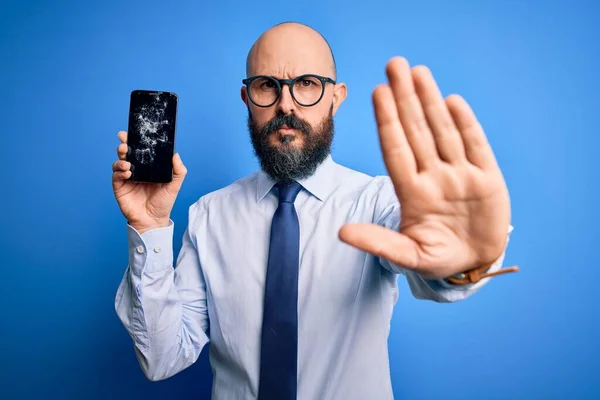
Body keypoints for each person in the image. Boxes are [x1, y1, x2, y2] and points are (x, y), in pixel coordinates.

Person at [112, 21, 518, 400]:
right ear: (246, 98)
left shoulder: (378, 202)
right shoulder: (209, 215)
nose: (286, 105)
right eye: (267, 85)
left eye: (306, 84)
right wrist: (148, 227)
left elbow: (433, 265)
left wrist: (465, 257)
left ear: (336, 98)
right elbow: (163, 358)